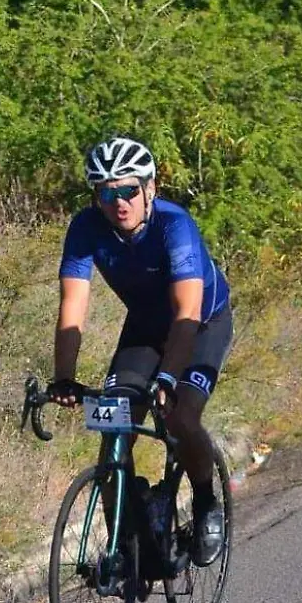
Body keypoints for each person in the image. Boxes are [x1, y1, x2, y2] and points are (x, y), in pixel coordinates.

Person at [50, 136, 232, 567]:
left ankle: (206, 502)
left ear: (150, 188)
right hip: (146, 327)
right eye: (107, 193)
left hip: (202, 324)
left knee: (179, 414)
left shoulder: (175, 225)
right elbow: (72, 308)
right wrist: (63, 377)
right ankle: (127, 543)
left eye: (129, 190)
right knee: (115, 427)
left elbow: (187, 313)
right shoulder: (85, 228)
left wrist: (167, 378)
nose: (120, 202)